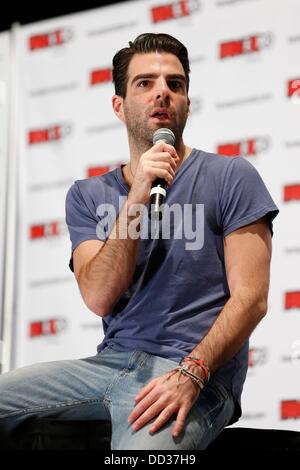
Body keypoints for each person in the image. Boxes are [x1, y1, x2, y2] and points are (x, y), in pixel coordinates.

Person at [0, 33, 279, 450]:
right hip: (108, 365)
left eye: (175, 84)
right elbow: (98, 296)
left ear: (186, 101)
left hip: (193, 373)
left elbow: (251, 298)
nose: (163, 93)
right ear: (119, 105)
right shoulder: (88, 194)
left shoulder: (231, 176)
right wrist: (137, 196)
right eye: (145, 83)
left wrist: (191, 374)